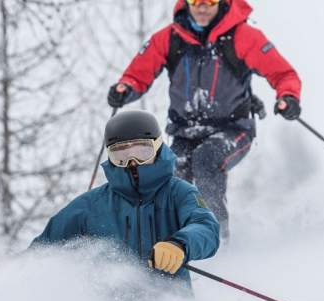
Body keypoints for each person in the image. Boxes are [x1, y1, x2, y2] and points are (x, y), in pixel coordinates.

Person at [107, 0, 302, 239]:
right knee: (170, 170)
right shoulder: (170, 38)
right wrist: (124, 88)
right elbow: (138, 73)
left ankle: (215, 238)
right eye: (195, 0)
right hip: (185, 131)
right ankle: (169, 240)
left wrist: (288, 98)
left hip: (233, 129)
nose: (201, 7)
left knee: (205, 160)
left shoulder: (242, 36)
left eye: (209, 1)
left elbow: (283, 73)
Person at [31, 110, 219, 290]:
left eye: (142, 151)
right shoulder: (90, 205)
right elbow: (43, 250)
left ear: (158, 147)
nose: (132, 162)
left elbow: (205, 227)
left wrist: (179, 244)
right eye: (120, 155)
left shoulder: (179, 193)